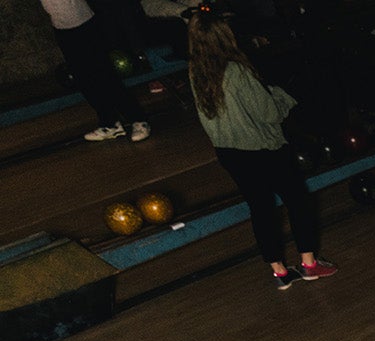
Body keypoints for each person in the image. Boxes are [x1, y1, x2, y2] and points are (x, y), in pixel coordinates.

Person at [185, 9, 330, 290]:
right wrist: (282, 95)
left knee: (261, 208)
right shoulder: (236, 70)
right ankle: (309, 264)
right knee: (298, 201)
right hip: (264, 149)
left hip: (229, 152)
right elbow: (269, 113)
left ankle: (280, 272)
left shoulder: (195, 72)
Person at [40, 0, 150, 142]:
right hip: (61, 27)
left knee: (104, 75)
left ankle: (138, 119)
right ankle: (109, 123)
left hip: (84, 24)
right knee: (84, 80)